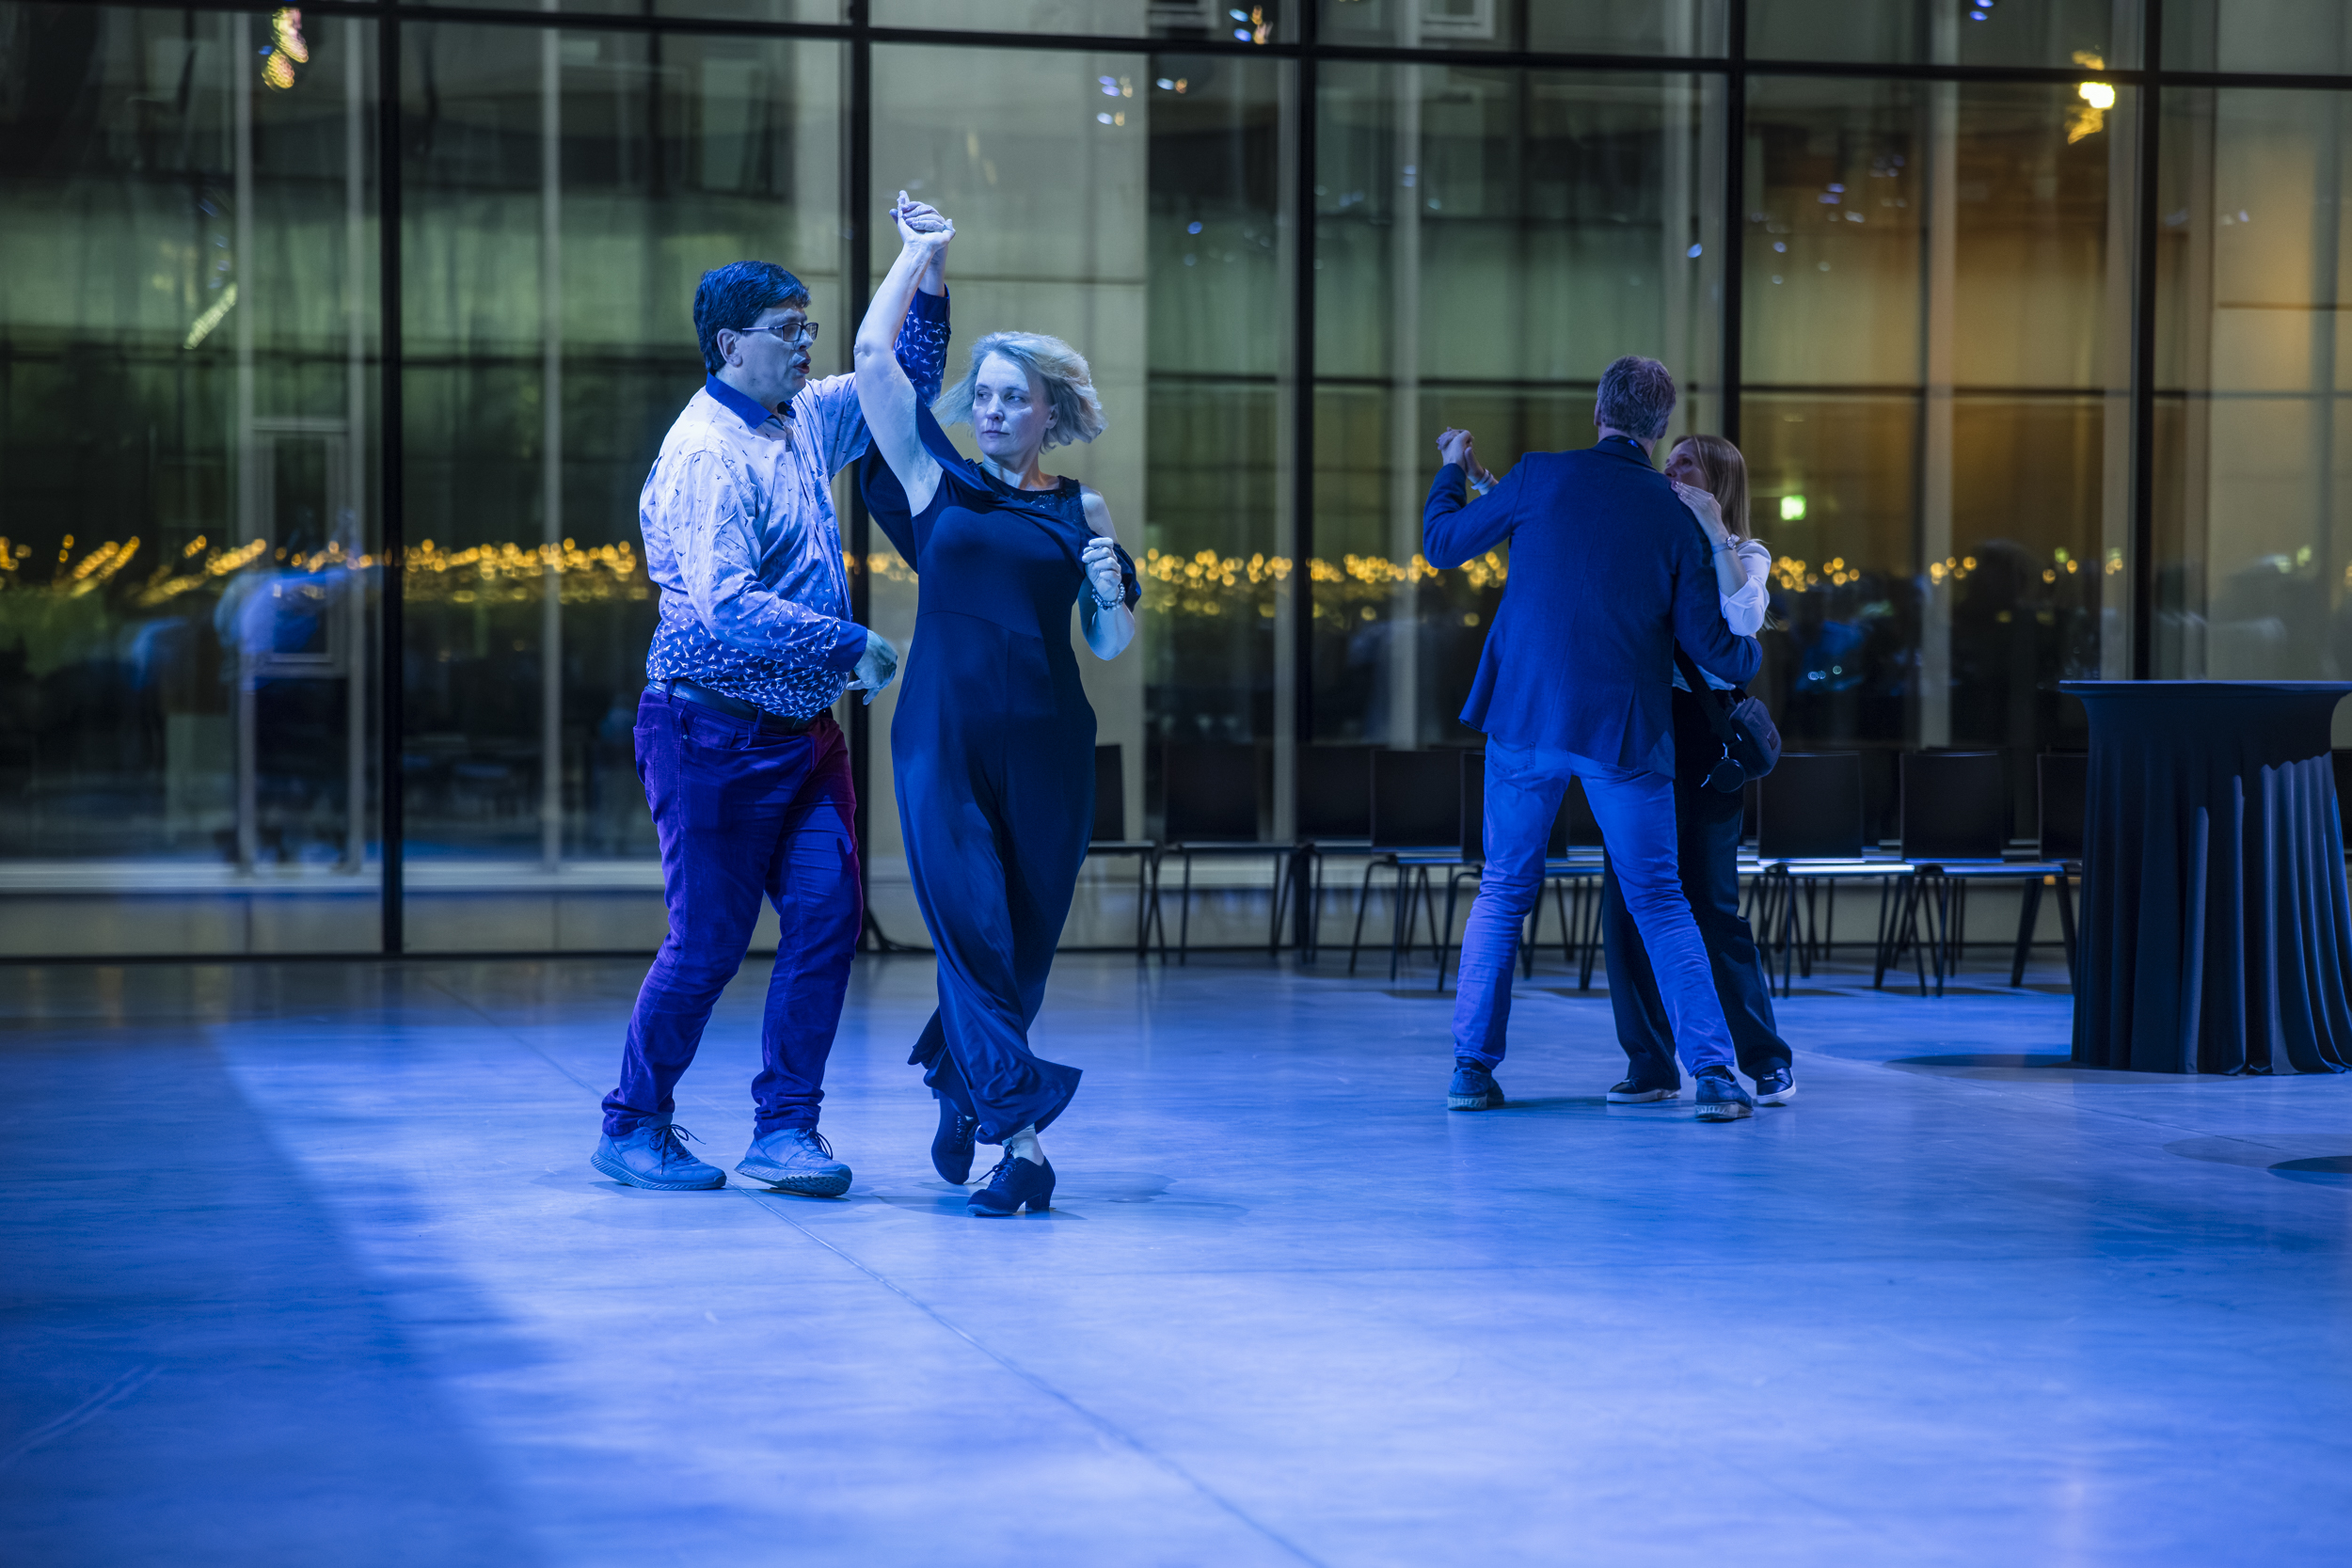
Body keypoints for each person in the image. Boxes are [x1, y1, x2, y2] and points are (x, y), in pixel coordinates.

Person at [591, 217, 954, 1195]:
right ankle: (633, 1124)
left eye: (809, 327)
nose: (805, 345)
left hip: (801, 738)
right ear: (729, 345)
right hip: (707, 731)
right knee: (707, 943)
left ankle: (786, 1129)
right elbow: (727, 603)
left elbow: (905, 380)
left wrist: (927, 265)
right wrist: (849, 645)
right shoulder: (707, 452)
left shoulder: (798, 418)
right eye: (787, 330)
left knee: (827, 920)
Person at [853, 197, 1139, 1216]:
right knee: (970, 932)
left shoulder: (1081, 507)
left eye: (1015, 397)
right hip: (942, 738)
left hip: (1052, 748)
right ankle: (1022, 1143)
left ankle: (955, 1078)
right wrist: (918, 257)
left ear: (1050, 411)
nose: (995, 410)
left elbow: (1108, 642)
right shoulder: (935, 480)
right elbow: (873, 360)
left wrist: (1107, 591)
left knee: (1018, 949)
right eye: (983, 395)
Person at [1426, 356, 1763, 1122]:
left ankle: (1471, 1071)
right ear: (1659, 430)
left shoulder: (1539, 476)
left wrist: (1452, 468)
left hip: (1525, 720)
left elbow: (1444, 542)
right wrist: (1749, 652)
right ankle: (1714, 1076)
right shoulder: (1672, 513)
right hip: (1623, 732)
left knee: (1503, 889)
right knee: (1661, 900)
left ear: (1598, 413)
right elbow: (1717, 648)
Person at [1598, 435, 1796, 1107]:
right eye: (1670, 458)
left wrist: (1713, 530)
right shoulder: (1650, 540)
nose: (1671, 469)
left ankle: (1765, 1057)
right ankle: (1651, 1063)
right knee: (1628, 901)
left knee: (1713, 903)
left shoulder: (1744, 553)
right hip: (1642, 727)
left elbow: (1745, 620)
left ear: (1719, 482)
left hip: (1705, 734)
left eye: (1687, 462)